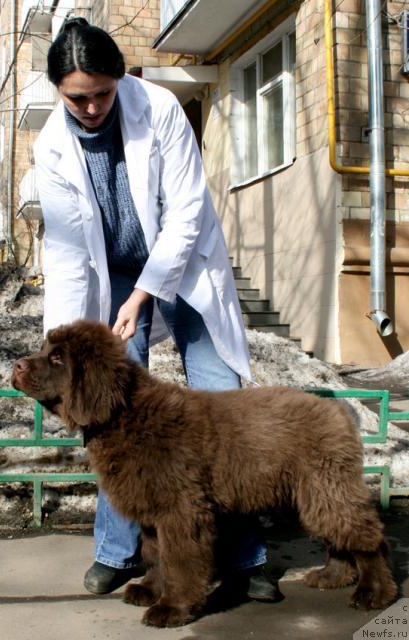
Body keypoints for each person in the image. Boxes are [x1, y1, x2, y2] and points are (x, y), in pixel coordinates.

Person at [34, 17, 279, 602]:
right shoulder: (50, 146)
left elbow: (187, 212)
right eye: (77, 97)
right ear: (58, 92)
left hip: (185, 260)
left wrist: (146, 292)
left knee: (222, 400)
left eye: (102, 93)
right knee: (115, 411)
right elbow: (68, 255)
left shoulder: (162, 108)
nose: (91, 107)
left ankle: (247, 556)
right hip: (112, 271)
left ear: (120, 80)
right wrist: (59, 350)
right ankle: (118, 554)